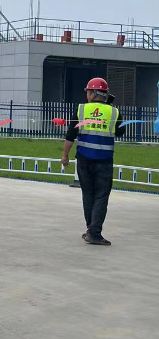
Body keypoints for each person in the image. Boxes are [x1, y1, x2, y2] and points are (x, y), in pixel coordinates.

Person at [61, 77, 124, 246]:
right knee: (101, 196)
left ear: (93, 93)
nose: (87, 95)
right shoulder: (114, 112)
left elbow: (70, 135)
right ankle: (94, 233)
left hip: (84, 160)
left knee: (88, 194)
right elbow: (120, 132)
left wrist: (65, 156)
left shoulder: (81, 110)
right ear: (105, 94)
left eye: (88, 92)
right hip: (104, 161)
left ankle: (91, 230)